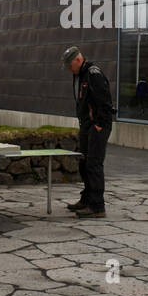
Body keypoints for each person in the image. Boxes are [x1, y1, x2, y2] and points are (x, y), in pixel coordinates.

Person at [63, 46, 112, 218]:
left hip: (97, 126)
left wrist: (99, 124)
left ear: (78, 60)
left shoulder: (93, 74)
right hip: (86, 125)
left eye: (70, 65)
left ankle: (97, 206)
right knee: (84, 163)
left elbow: (105, 101)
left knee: (94, 164)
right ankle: (87, 199)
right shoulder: (79, 75)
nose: (69, 69)